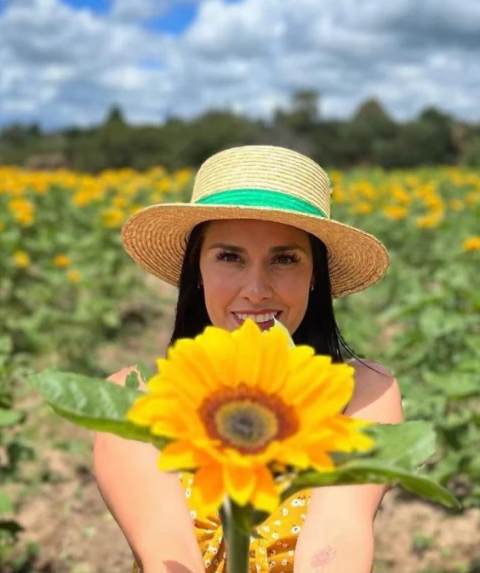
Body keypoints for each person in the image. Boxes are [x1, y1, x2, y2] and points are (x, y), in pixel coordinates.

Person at [93, 145, 404, 573]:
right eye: (229, 257)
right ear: (196, 272)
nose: (256, 289)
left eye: (284, 259)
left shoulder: (362, 393)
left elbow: (336, 544)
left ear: (315, 275)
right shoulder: (132, 400)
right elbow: (168, 551)